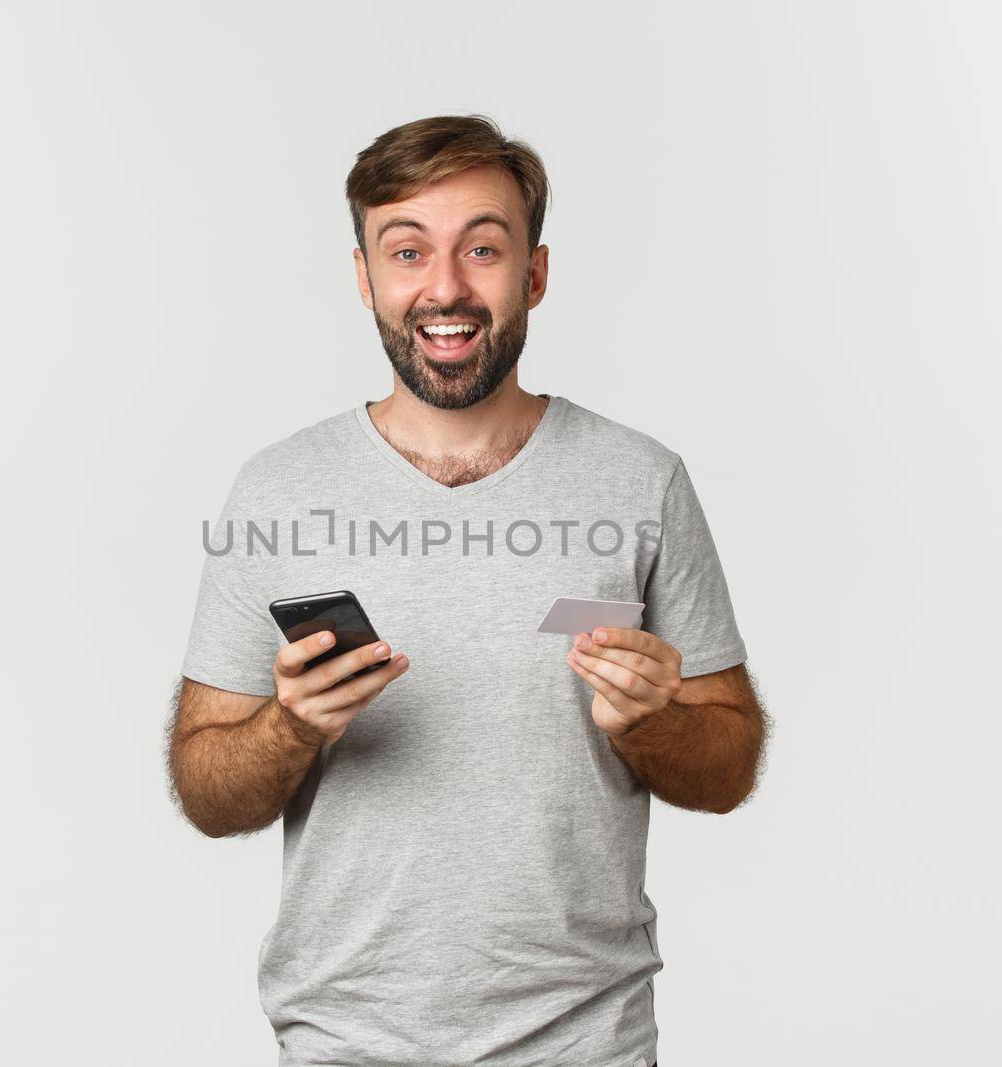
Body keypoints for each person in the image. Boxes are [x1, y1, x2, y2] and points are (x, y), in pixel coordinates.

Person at [167, 113, 766, 1067]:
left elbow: (729, 761)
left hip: (586, 1042)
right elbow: (206, 787)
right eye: (407, 251)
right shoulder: (277, 491)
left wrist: (652, 722)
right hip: (345, 1041)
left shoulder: (640, 480)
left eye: (482, 248)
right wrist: (291, 727)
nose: (445, 287)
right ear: (365, 276)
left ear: (533, 272)